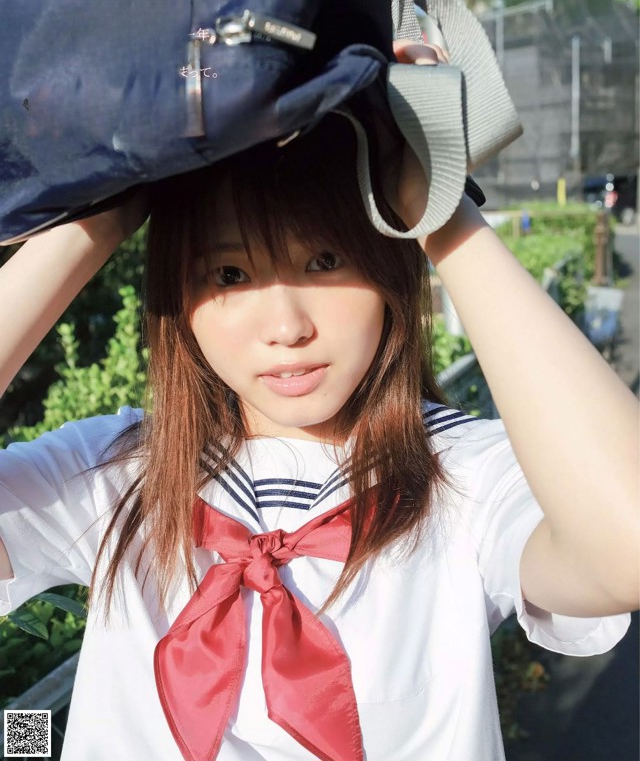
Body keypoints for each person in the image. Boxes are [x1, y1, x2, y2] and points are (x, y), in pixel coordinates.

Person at [0, 41, 638, 761]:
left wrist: (441, 210)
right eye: (231, 272)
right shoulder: (112, 477)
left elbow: (628, 548)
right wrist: (97, 221)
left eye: (326, 261)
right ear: (179, 292)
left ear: (391, 264)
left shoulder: (463, 478)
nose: (287, 328)